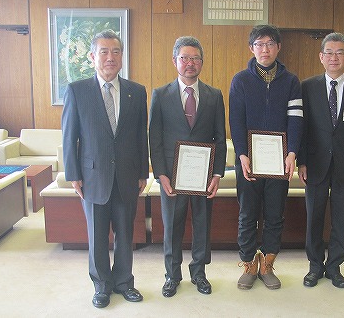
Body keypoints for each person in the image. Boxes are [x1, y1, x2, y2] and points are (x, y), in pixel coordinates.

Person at [62, 30, 149, 308]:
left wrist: (142, 172)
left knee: (125, 234)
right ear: (92, 56)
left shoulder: (137, 91)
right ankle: (101, 285)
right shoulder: (77, 90)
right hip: (93, 177)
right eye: (104, 51)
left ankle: (124, 282)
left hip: (127, 176)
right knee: (97, 237)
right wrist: (73, 173)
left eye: (115, 52)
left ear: (122, 57)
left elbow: (140, 136)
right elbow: (69, 136)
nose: (110, 57)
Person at [149, 36, 226, 298]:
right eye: (184, 58)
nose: (190, 63)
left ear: (202, 62)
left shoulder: (215, 96)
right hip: (172, 176)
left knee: (203, 225)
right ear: (175, 61)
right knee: (172, 226)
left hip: (203, 176)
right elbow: (154, 138)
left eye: (195, 58)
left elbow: (219, 136)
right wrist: (161, 174)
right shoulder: (160, 95)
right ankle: (172, 275)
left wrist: (217, 173)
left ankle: (199, 273)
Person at [229, 25, 303, 290]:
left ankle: (268, 264)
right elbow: (235, 121)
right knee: (247, 214)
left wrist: (292, 151)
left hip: (279, 161)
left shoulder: (292, 81)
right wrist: (242, 154)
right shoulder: (240, 80)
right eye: (259, 44)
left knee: (275, 214)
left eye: (270, 43)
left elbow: (296, 120)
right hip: (249, 160)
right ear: (251, 48)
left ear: (278, 47)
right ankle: (249, 264)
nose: (265, 49)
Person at [297, 32, 344, 289]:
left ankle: (335, 267)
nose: (334, 57)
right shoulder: (307, 87)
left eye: (340, 52)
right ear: (321, 57)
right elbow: (302, 128)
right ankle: (315, 267)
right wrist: (302, 162)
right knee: (314, 218)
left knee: (341, 219)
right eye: (329, 52)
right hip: (314, 164)